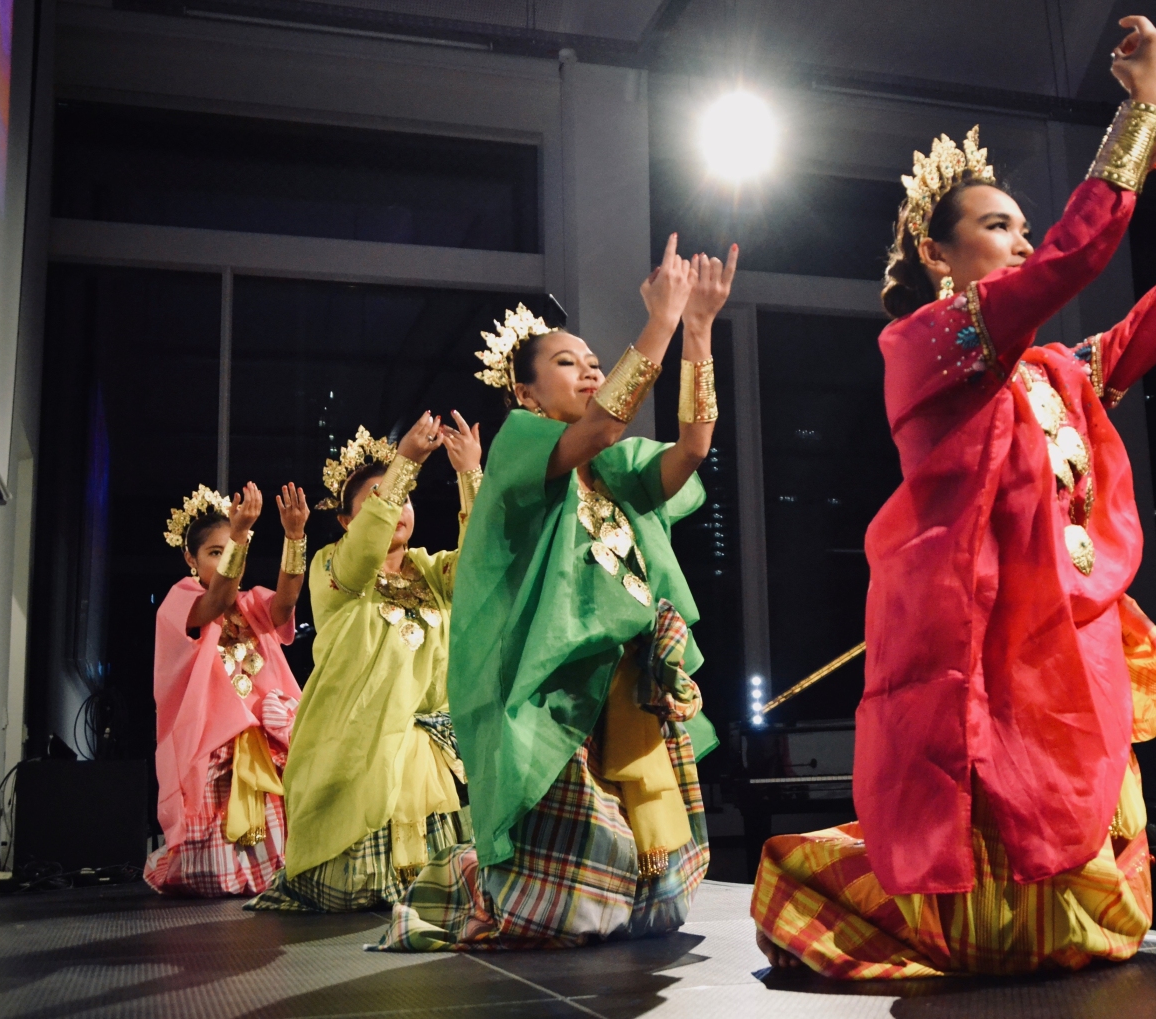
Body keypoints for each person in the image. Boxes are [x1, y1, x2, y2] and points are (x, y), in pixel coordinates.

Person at [751, 17, 1156, 978]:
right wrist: (1141, 107)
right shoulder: (927, 347)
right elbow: (1075, 258)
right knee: (994, 920)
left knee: (1089, 904)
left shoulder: (1054, 372)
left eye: (1023, 225)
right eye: (998, 226)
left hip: (1065, 638)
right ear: (938, 256)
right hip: (982, 645)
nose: (1022, 243)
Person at [378, 239, 733, 951]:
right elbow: (604, 421)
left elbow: (693, 448)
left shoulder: (618, 469)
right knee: (561, 912)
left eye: (593, 360)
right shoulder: (519, 449)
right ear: (526, 394)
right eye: (568, 362)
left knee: (653, 903)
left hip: (621, 678)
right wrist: (660, 320)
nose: (591, 369)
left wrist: (696, 328)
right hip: (551, 689)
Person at [246, 411, 485, 912]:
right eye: (379, 498)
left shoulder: (431, 570)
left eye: (405, 496)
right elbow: (361, 554)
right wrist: (404, 464)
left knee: (443, 894)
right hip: (356, 741)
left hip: (426, 747)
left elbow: (483, 565)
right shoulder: (334, 567)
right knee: (349, 896)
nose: (398, 506)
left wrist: (469, 474)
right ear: (347, 522)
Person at [145, 481, 308, 896]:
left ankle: (271, 877)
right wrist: (238, 534)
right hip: (215, 738)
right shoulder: (180, 600)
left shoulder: (252, 603)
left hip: (265, 731)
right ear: (190, 558)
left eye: (232, 551)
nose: (224, 561)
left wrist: (294, 537)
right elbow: (216, 601)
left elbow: (286, 604)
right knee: (215, 833)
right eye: (214, 553)